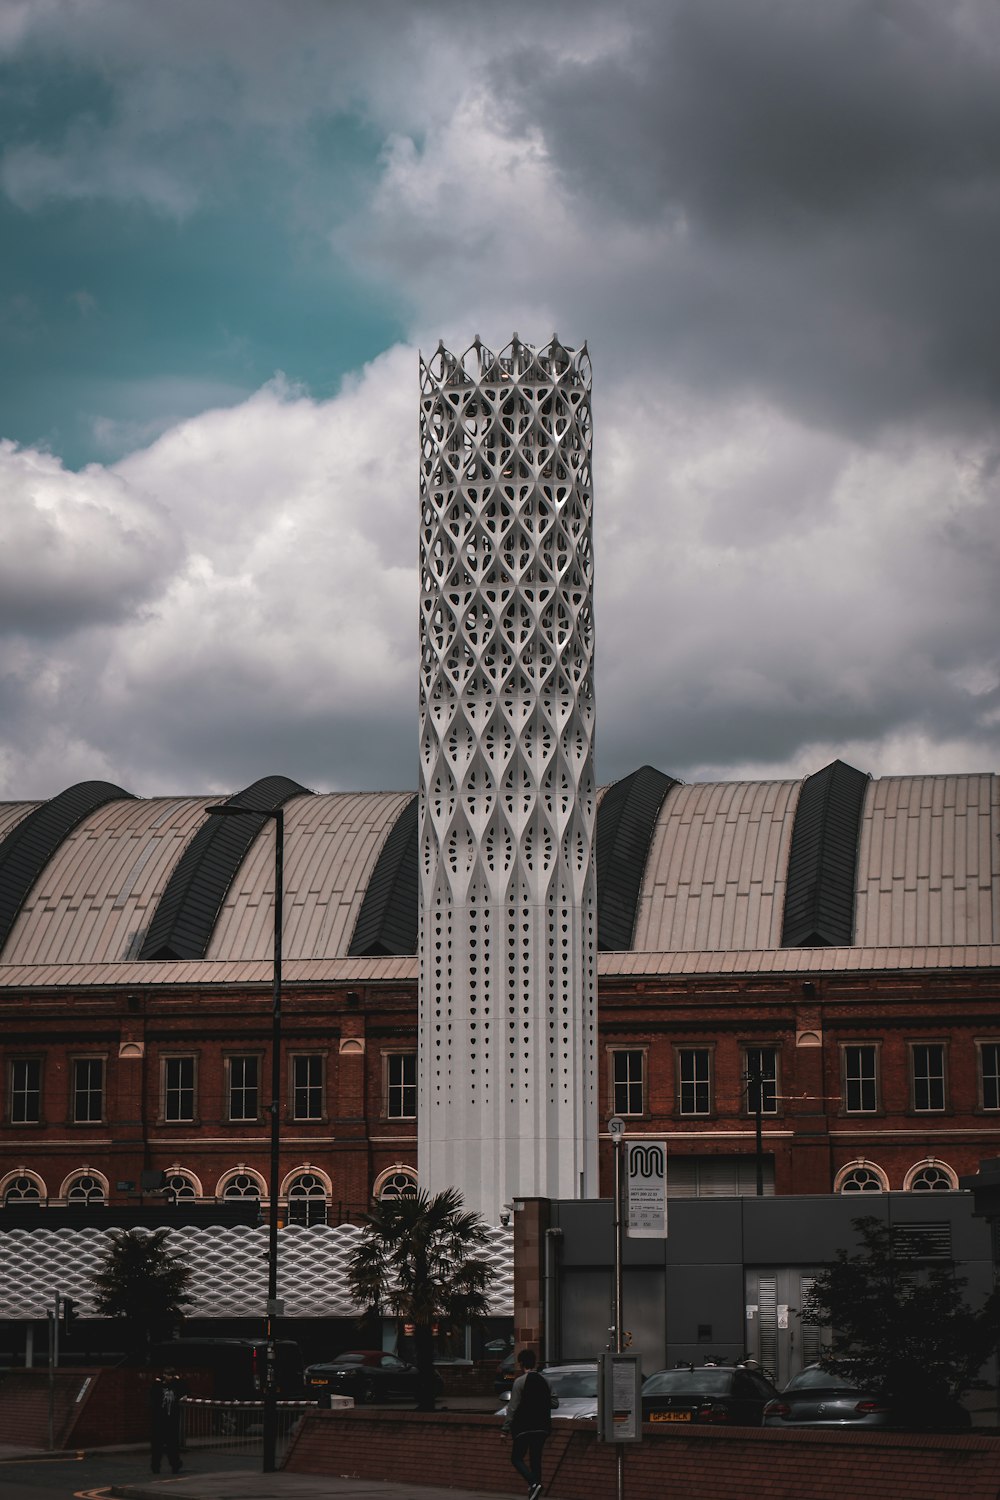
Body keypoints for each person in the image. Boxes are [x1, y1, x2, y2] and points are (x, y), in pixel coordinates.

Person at [501, 1349, 555, 1500]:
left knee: (516, 1458)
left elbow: (512, 1407)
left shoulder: (520, 1382)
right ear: (535, 1362)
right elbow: (555, 1403)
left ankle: (533, 1483)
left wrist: (504, 1430)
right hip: (542, 1427)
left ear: (521, 1363)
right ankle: (534, 1494)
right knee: (535, 1460)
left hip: (524, 1427)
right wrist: (540, 1401)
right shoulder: (546, 1381)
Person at [149, 1366, 188, 1474]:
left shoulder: (176, 1385)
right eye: (166, 1375)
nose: (168, 1377)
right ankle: (155, 1466)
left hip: (171, 1420)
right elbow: (153, 1395)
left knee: (172, 1445)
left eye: (170, 1375)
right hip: (159, 1420)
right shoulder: (158, 1386)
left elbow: (185, 1389)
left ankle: (175, 1465)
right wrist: (157, 1382)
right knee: (158, 1445)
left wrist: (178, 1379)